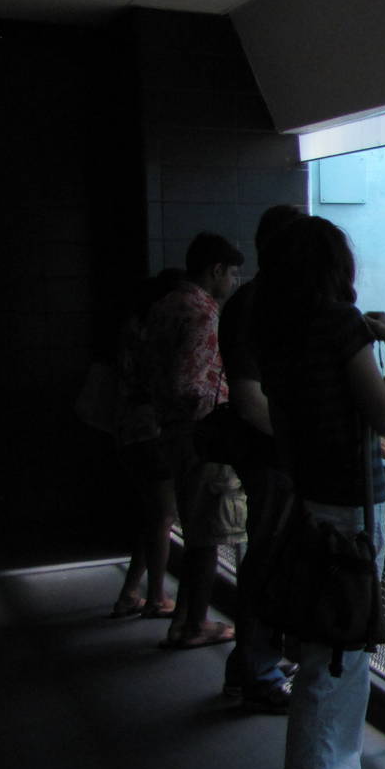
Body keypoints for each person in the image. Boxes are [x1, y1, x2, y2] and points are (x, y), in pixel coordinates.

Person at [254, 215, 385, 769]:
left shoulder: (277, 331)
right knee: (336, 672)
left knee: (324, 663)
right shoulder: (342, 329)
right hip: (349, 515)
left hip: (311, 506)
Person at [218, 205, 303, 710]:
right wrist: (303, 443)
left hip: (274, 456)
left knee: (271, 556)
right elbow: (250, 401)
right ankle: (257, 670)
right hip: (273, 459)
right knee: (268, 557)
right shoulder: (258, 306)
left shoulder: (259, 302)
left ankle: (254, 662)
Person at [144, 233, 243, 648]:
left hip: (169, 431)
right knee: (208, 537)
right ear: (215, 270)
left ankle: (184, 619)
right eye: (233, 273)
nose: (235, 282)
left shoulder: (164, 305)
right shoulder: (203, 313)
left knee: (194, 528)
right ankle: (193, 625)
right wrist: (229, 404)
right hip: (200, 436)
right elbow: (189, 384)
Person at [108, 269, 184, 618]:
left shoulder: (132, 327)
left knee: (152, 514)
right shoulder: (155, 332)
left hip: (128, 429)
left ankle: (130, 591)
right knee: (163, 514)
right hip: (151, 431)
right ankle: (157, 596)